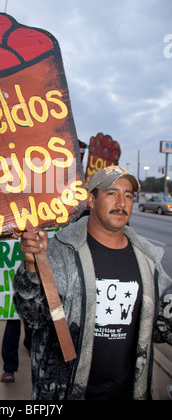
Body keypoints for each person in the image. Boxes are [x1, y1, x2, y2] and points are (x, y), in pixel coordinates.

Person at [13, 166, 172, 400]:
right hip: (65, 393)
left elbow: (162, 324)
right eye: (112, 193)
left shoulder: (148, 259)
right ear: (91, 200)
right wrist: (32, 265)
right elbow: (34, 316)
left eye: (128, 195)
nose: (122, 202)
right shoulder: (61, 252)